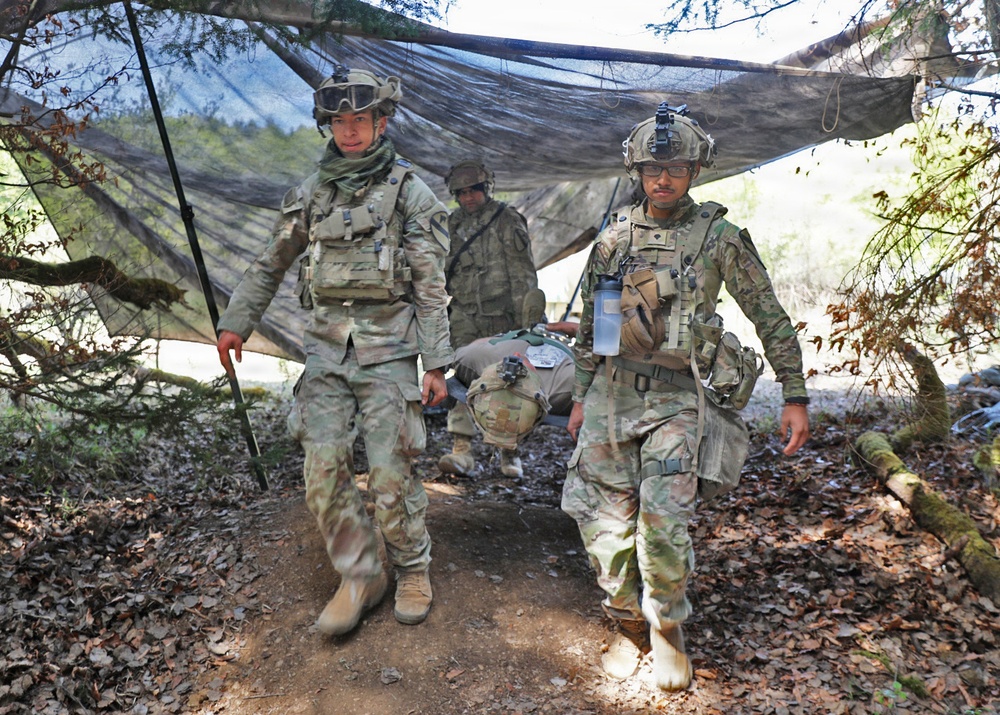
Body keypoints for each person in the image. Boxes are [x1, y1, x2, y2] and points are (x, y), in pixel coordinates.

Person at [561, 103, 810, 691]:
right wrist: (580, 394)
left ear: (695, 170)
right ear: (638, 172)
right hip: (612, 398)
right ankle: (625, 623)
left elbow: (769, 315)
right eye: (652, 169)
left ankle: (667, 629)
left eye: (674, 167)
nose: (663, 179)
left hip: (679, 401)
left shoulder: (719, 237)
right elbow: (597, 324)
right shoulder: (616, 238)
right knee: (601, 528)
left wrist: (794, 394)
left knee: (664, 527)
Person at [216, 66, 453, 636]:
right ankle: (360, 575)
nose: (350, 131)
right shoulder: (311, 194)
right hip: (325, 352)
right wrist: (236, 324)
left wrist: (436, 362)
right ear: (329, 124)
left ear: (381, 121)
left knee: (392, 477)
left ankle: (413, 568)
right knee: (322, 470)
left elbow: (430, 284)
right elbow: (271, 263)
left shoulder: (410, 193)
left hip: (391, 353)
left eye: (361, 120)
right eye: (340, 121)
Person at [438, 159, 540, 479]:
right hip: (465, 313)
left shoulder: (506, 220)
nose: (468, 198)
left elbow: (523, 274)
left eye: (474, 191)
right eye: (461, 193)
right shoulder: (450, 225)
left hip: (504, 315)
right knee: (464, 375)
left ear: (486, 189)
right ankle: (462, 450)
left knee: (507, 380)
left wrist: (528, 323)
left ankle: (509, 451)